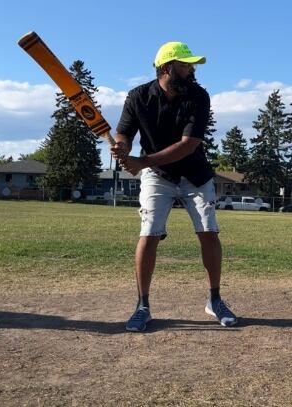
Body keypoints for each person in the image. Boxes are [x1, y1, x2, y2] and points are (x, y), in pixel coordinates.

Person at [110, 41, 237, 332]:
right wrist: (121, 147)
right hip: (157, 176)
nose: (191, 70)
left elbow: (189, 144)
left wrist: (141, 161)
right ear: (167, 68)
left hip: (195, 175)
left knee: (209, 231)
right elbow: (124, 133)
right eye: (185, 65)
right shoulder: (138, 96)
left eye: (191, 65)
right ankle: (142, 306)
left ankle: (214, 300)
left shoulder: (198, 96)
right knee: (149, 233)